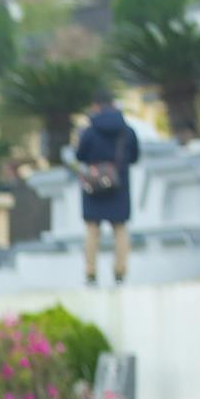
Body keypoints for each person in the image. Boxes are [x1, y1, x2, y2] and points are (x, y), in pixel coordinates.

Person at [75, 90, 140, 287]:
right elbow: (135, 157)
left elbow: (80, 155)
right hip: (119, 185)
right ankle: (120, 272)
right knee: (120, 228)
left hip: (94, 186)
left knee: (92, 229)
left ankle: (90, 273)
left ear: (96, 105)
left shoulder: (89, 130)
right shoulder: (127, 130)